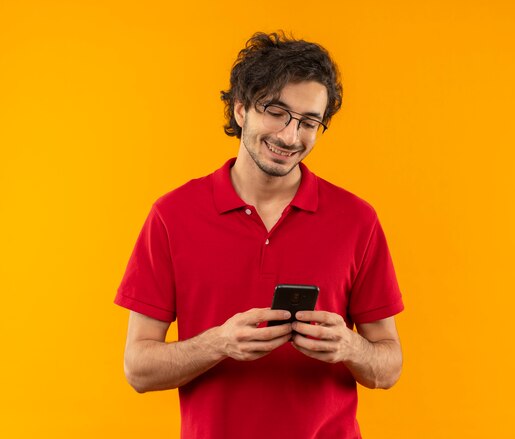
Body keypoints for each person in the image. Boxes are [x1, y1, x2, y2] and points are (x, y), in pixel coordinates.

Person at [115, 31, 404, 438]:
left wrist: (351, 348)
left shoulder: (357, 220)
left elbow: (388, 368)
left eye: (308, 122)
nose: (290, 136)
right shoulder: (172, 215)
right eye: (276, 111)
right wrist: (218, 343)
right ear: (240, 109)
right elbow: (138, 369)